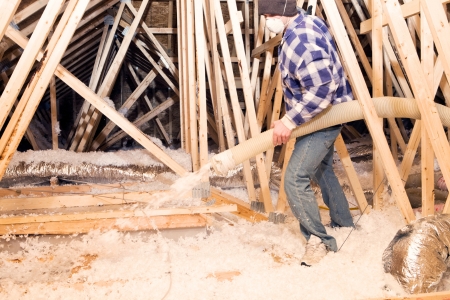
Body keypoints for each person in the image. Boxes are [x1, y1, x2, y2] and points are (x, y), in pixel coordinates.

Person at [258, 0, 355, 266]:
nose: (267, 20)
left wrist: (288, 122)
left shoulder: (301, 39)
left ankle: (319, 240)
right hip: (316, 116)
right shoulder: (308, 21)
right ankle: (344, 223)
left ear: (285, 11)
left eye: (269, 14)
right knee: (321, 169)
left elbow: (322, 92)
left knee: (295, 178)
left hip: (323, 117)